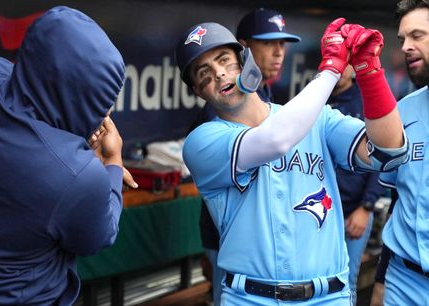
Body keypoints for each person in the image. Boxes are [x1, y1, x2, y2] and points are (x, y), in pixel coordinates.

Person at [175, 17, 408, 305]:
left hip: (328, 296)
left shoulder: (317, 119)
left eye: (225, 60)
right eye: (204, 73)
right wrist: (332, 70)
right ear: (198, 91)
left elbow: (388, 150)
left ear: (244, 60)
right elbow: (275, 140)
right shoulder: (202, 141)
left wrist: (369, 71)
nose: (220, 74)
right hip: (251, 297)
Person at [0, 6, 136, 306]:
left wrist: (73, 132)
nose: (107, 112)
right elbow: (98, 236)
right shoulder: (78, 174)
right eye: (103, 101)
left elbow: (25, 84)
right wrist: (112, 163)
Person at [193, 8, 301, 305]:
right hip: (231, 242)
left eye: (283, 44)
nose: (279, 52)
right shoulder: (223, 102)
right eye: (269, 43)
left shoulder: (264, 94)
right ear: (244, 49)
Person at [373, 1, 429, 305]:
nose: (406, 47)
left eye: (417, 36)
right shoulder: (402, 110)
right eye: (402, 39)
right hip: (403, 280)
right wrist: (380, 281)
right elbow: (399, 202)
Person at [327, 64, 384, 305]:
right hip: (323, 211)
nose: (339, 68)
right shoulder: (317, 99)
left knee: (346, 282)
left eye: (346, 62)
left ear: (353, 68)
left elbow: (381, 158)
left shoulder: (365, 100)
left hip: (355, 211)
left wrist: (366, 207)